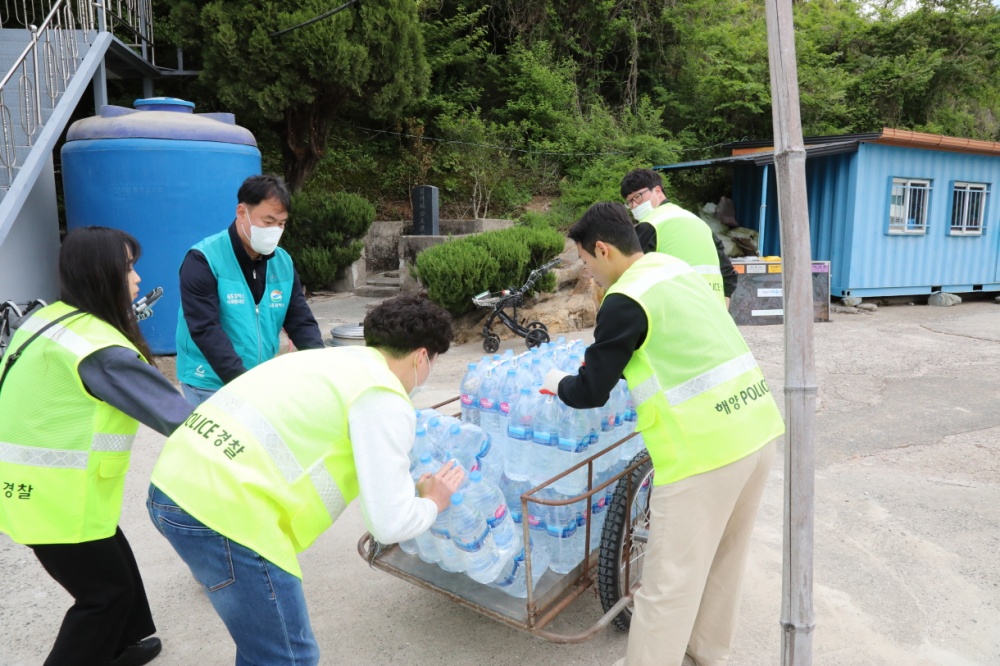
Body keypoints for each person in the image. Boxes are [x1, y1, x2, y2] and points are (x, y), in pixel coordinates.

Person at [147, 293, 465, 665]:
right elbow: (389, 523)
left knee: (263, 647)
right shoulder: (382, 395)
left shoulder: (325, 360)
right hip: (224, 513)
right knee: (287, 656)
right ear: (422, 356)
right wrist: (432, 501)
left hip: (170, 484)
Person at [541, 203, 785, 666]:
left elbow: (591, 391)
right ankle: (706, 653)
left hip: (704, 453)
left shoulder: (625, 299)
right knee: (725, 562)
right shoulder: (672, 268)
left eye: (587, 262)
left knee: (667, 583)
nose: (589, 274)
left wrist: (557, 383)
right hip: (756, 428)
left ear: (602, 249)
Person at [0, 227, 194, 666]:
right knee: (105, 594)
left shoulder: (49, 318)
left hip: (30, 487)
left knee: (114, 558)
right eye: (128, 267)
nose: (137, 278)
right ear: (100, 273)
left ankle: (122, 646)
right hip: (57, 499)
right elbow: (180, 419)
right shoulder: (99, 349)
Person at [175, 174, 325, 405]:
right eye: (268, 221)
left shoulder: (282, 261)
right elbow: (206, 329)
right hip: (209, 383)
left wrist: (322, 367)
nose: (275, 230)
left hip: (258, 380)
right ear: (242, 212)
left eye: (281, 224)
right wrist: (244, 385)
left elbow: (299, 320)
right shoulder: (203, 259)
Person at [620, 168, 738, 307]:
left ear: (657, 191)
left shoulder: (650, 225)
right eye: (629, 202)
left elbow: (631, 278)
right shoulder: (699, 223)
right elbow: (728, 273)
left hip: (677, 313)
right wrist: (721, 309)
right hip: (712, 312)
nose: (634, 205)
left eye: (637, 197)